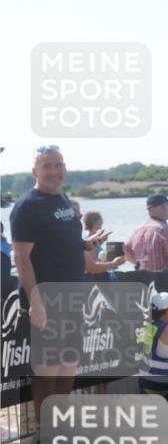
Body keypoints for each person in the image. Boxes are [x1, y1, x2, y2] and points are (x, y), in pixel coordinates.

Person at [9, 146, 105, 427]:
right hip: (46, 298)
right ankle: (44, 433)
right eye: (47, 165)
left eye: (58, 164)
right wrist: (36, 304)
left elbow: (61, 242)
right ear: (34, 172)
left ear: (65, 168)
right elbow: (21, 258)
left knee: (68, 365)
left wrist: (86, 244)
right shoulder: (27, 206)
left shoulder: (63, 199)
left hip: (72, 297)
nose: (53, 170)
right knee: (47, 370)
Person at [124, 195, 168, 271]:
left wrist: (139, 263)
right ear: (162, 208)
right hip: (165, 280)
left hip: (143, 280)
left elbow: (125, 251)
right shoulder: (166, 230)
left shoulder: (138, 230)